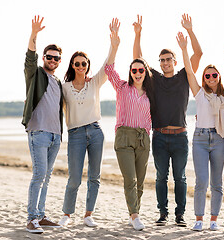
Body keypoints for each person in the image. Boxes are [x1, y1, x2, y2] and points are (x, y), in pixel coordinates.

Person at [133, 14, 203, 227]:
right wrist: (138, 34)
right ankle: (163, 214)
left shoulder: (184, 76)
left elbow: (198, 54)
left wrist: (190, 32)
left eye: (168, 60)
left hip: (180, 136)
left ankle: (180, 215)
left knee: (180, 178)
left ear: (175, 61)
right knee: (161, 177)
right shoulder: (153, 78)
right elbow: (137, 59)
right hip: (160, 137)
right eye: (161, 60)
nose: (164, 63)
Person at [57, 19, 119, 228]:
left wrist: (114, 42)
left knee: (95, 176)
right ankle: (67, 213)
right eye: (77, 63)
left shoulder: (95, 83)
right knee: (74, 178)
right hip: (74, 134)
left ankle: (88, 214)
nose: (81, 66)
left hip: (96, 132)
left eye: (84, 63)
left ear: (88, 66)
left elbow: (108, 64)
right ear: (72, 66)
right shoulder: (64, 88)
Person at [176, 32, 224, 231]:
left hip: (219, 139)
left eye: (214, 75)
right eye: (207, 75)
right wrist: (184, 48)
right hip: (199, 139)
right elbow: (189, 72)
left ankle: (213, 220)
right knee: (201, 181)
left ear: (219, 77)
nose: (211, 78)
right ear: (204, 79)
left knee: (217, 182)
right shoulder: (199, 93)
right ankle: (199, 219)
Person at [104, 21, 154, 231]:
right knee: (130, 178)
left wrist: (138, 35)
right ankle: (134, 215)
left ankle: (135, 213)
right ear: (130, 72)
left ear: (145, 71)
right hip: (124, 137)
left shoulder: (152, 93)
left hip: (144, 138)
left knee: (140, 181)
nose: (137, 72)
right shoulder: (122, 88)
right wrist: (114, 45)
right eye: (134, 70)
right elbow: (109, 69)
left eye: (140, 69)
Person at [22, 15, 63, 234]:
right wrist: (34, 34)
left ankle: (41, 215)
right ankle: (31, 219)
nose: (52, 60)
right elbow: (30, 58)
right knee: (39, 175)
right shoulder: (35, 74)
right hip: (38, 133)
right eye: (49, 57)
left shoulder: (58, 81)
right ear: (45, 57)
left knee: (46, 177)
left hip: (55, 136)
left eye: (56, 58)